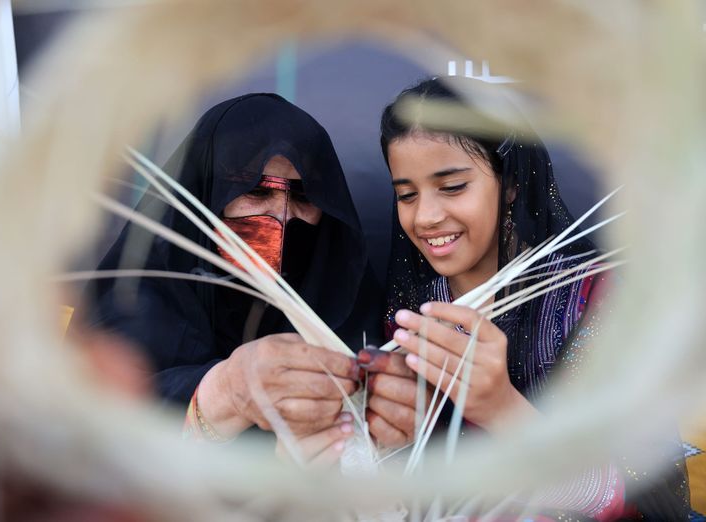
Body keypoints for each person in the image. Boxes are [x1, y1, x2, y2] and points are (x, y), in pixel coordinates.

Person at [363, 77, 689, 519]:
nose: (426, 216)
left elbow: (643, 494)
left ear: (511, 183)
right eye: (406, 194)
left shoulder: (595, 302)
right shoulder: (412, 315)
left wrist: (502, 409)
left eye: (453, 187)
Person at [81, 93, 383, 459]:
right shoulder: (136, 295)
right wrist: (226, 391)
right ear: (208, 192)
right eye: (255, 191)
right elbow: (90, 437)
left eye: (304, 197)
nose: (282, 217)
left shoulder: (341, 291)